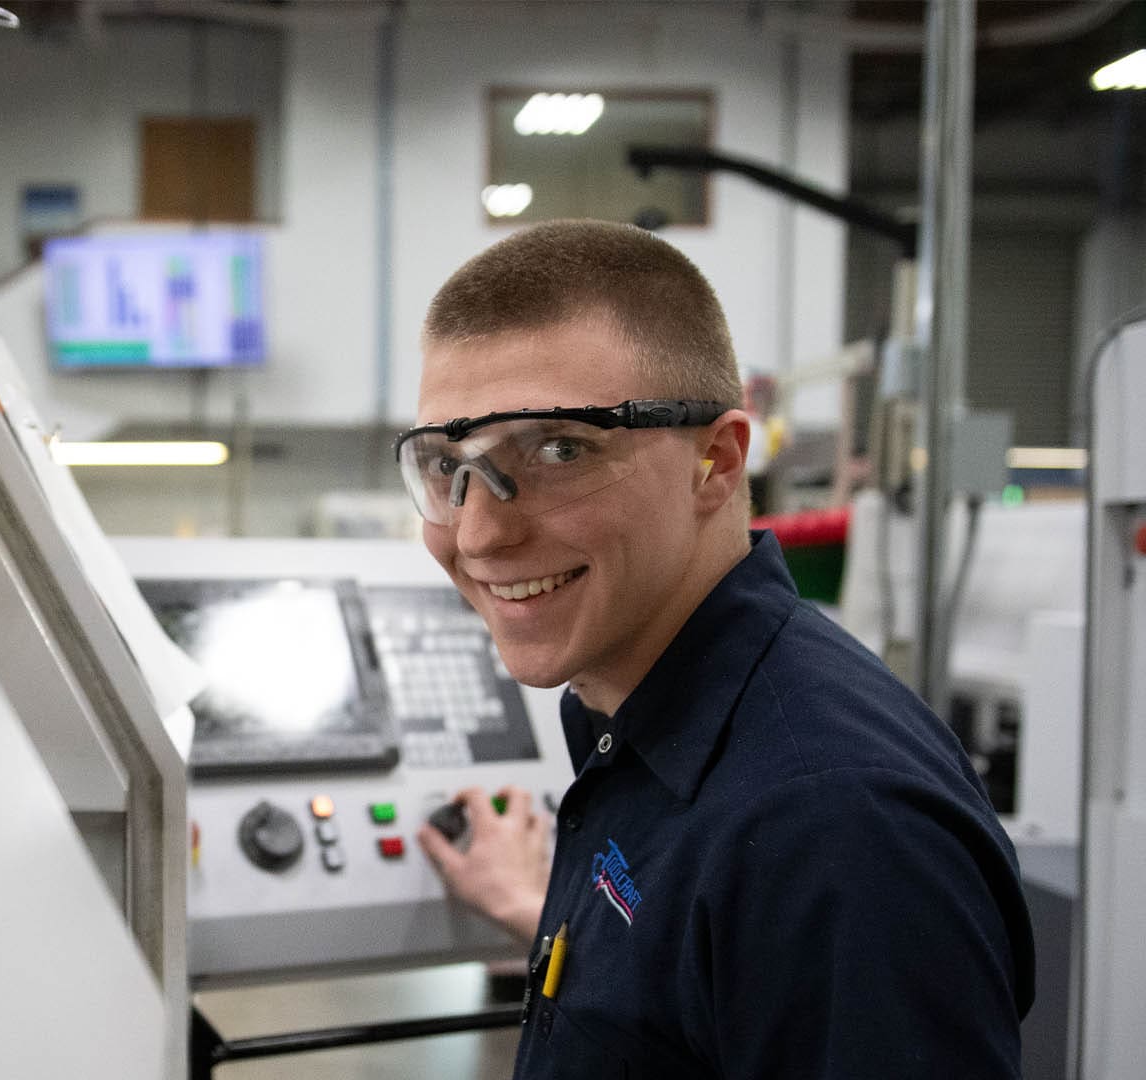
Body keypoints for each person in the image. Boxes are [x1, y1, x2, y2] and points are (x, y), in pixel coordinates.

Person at [398, 220, 1034, 1078]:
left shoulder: (831, 832)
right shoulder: (644, 716)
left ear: (718, 461)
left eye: (557, 449)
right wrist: (534, 911)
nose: (478, 533)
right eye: (445, 466)